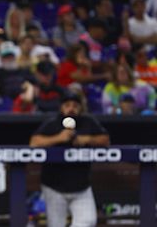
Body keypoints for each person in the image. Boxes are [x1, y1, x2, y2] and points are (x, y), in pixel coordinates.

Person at [29, 93, 110, 227]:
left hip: (81, 187)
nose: (71, 109)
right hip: (54, 186)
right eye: (67, 105)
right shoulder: (52, 123)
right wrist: (58, 138)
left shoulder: (87, 122)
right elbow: (34, 142)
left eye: (75, 106)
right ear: (61, 107)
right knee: (56, 224)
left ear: (80, 108)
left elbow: (105, 140)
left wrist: (86, 139)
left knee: (87, 221)